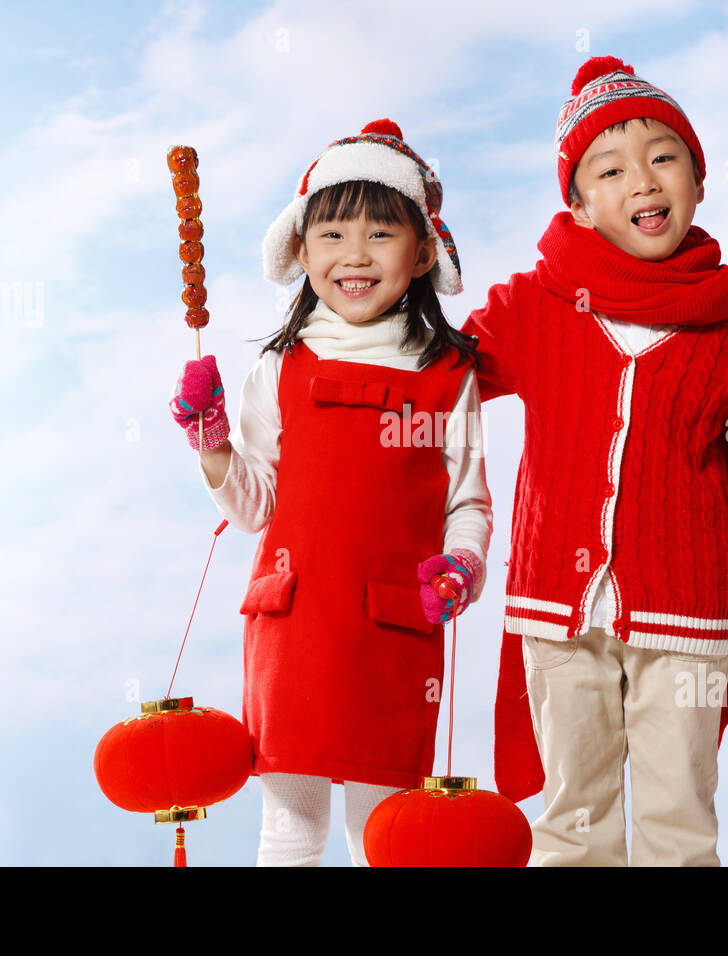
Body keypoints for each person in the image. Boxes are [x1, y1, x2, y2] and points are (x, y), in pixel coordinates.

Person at [460, 57, 728, 866]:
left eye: (664, 157)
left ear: (696, 179)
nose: (642, 181)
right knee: (572, 821)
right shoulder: (535, 304)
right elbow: (446, 375)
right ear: (581, 206)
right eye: (610, 169)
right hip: (557, 607)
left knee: (678, 819)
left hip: (688, 611)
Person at [169, 119, 491, 866]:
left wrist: (462, 568)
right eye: (334, 234)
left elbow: (468, 505)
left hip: (395, 636)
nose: (355, 255)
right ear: (301, 250)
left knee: (385, 838)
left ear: (420, 255)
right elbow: (253, 507)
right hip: (295, 627)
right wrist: (212, 439)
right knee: (290, 832)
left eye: (381, 235)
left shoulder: (448, 375)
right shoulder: (281, 367)